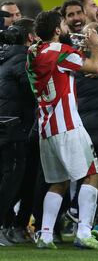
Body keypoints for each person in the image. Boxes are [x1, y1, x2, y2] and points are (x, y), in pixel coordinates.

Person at [26, 10, 98, 250]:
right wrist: (94, 45)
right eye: (62, 23)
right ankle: (83, 232)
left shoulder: (32, 52)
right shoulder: (61, 52)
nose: (66, 27)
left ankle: (46, 234)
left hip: (46, 128)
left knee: (58, 182)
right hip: (68, 125)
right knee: (94, 174)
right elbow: (94, 67)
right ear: (57, 31)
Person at [0, 18, 37, 246]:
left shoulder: (4, 56)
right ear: (31, 38)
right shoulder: (22, 60)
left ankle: (9, 224)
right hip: (12, 128)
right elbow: (34, 91)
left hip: (6, 123)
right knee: (12, 179)